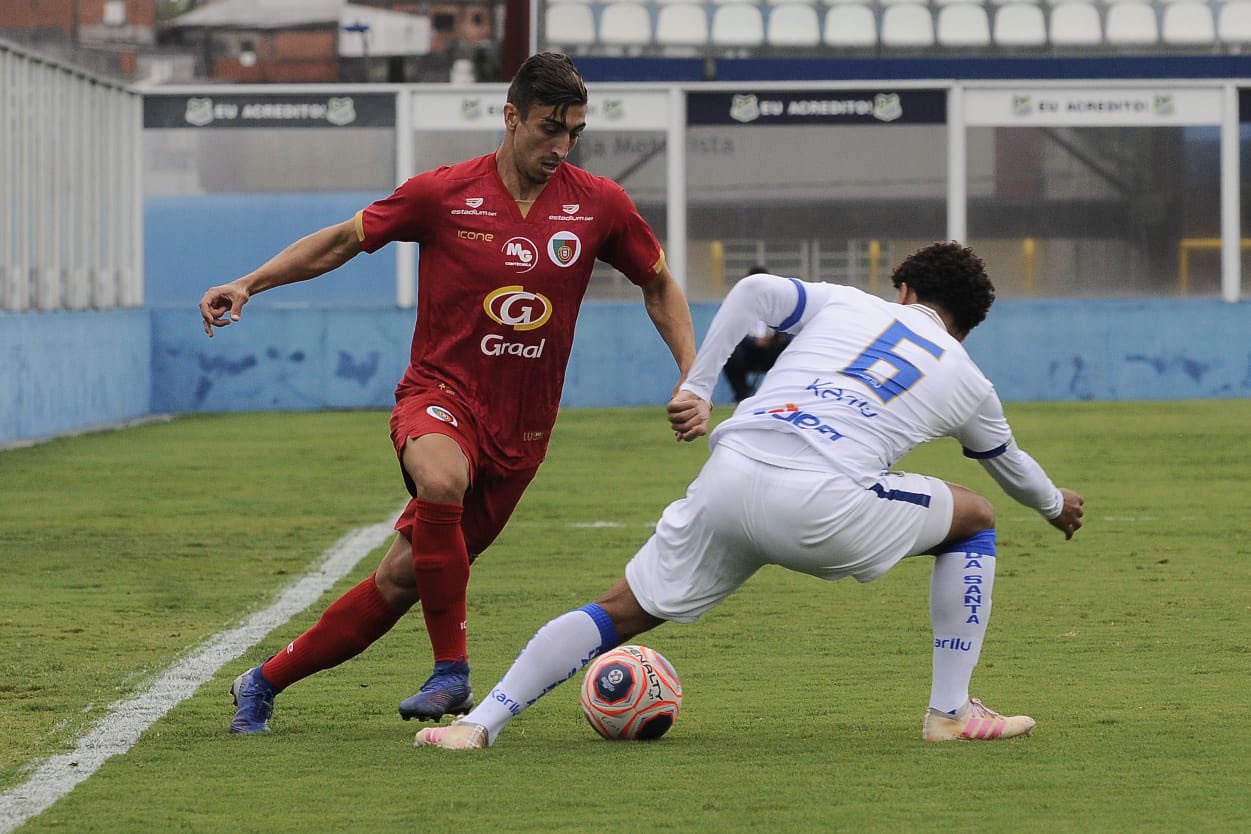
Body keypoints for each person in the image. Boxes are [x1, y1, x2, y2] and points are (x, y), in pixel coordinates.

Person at [414, 242, 1086, 750]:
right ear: (966, 327)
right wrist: (1055, 505)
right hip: (827, 506)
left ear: (904, 291)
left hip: (732, 473)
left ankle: (478, 724)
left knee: (618, 610)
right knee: (974, 518)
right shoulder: (968, 377)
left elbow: (756, 290)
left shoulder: (849, 303)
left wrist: (698, 387)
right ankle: (949, 712)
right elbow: (1011, 466)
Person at [199, 52, 698, 734]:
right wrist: (248, 283)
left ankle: (261, 682)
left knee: (399, 582)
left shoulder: (599, 205)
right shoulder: (442, 194)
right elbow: (342, 242)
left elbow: (658, 282)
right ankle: (451, 672)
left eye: (573, 133)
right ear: (510, 116)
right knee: (440, 478)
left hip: (520, 435)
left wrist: (689, 372)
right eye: (549, 127)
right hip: (438, 396)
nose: (561, 145)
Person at [722, 265, 792, 402]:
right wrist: (755, 342)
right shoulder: (735, 303)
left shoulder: (780, 302)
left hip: (772, 350)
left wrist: (777, 339)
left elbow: (790, 330)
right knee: (732, 353)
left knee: (791, 349)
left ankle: (784, 394)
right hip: (748, 351)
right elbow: (730, 333)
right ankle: (742, 395)